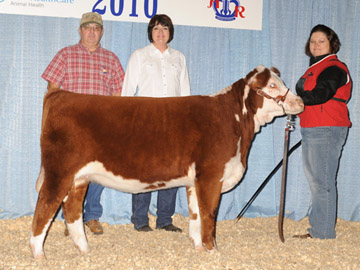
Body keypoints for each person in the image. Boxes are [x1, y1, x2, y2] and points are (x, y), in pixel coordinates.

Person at [41, 12, 125, 235]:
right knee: (68, 171)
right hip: (71, 125)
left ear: (101, 32)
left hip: (100, 126)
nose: (91, 32)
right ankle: (71, 217)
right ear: (80, 30)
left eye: (96, 29)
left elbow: (118, 94)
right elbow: (52, 91)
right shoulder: (65, 55)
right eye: (87, 28)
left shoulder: (111, 59)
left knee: (99, 173)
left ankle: (92, 215)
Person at [122, 14, 190, 232]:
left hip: (174, 120)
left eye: (165, 29)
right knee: (144, 170)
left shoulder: (179, 57)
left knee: (172, 170)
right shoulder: (140, 56)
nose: (161, 33)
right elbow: (128, 90)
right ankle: (140, 219)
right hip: (146, 120)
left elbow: (185, 92)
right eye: (156, 29)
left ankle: (165, 219)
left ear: (170, 32)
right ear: (150, 32)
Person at [294, 24, 352, 239]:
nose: (316, 45)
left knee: (322, 182)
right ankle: (319, 228)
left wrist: (293, 100)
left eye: (321, 41)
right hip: (312, 127)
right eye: (312, 41)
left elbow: (322, 94)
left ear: (332, 44)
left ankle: (323, 232)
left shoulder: (335, 68)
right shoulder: (313, 68)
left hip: (326, 128)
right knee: (316, 181)